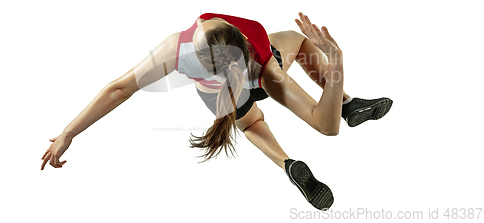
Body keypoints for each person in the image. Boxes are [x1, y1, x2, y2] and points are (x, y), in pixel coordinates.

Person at [41, 12, 393, 210]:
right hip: (259, 73)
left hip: (221, 96)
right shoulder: (262, 58)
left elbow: (118, 89)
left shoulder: (175, 49)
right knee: (299, 43)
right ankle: (347, 102)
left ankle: (287, 163)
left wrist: (68, 133)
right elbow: (326, 126)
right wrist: (336, 64)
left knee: (250, 122)